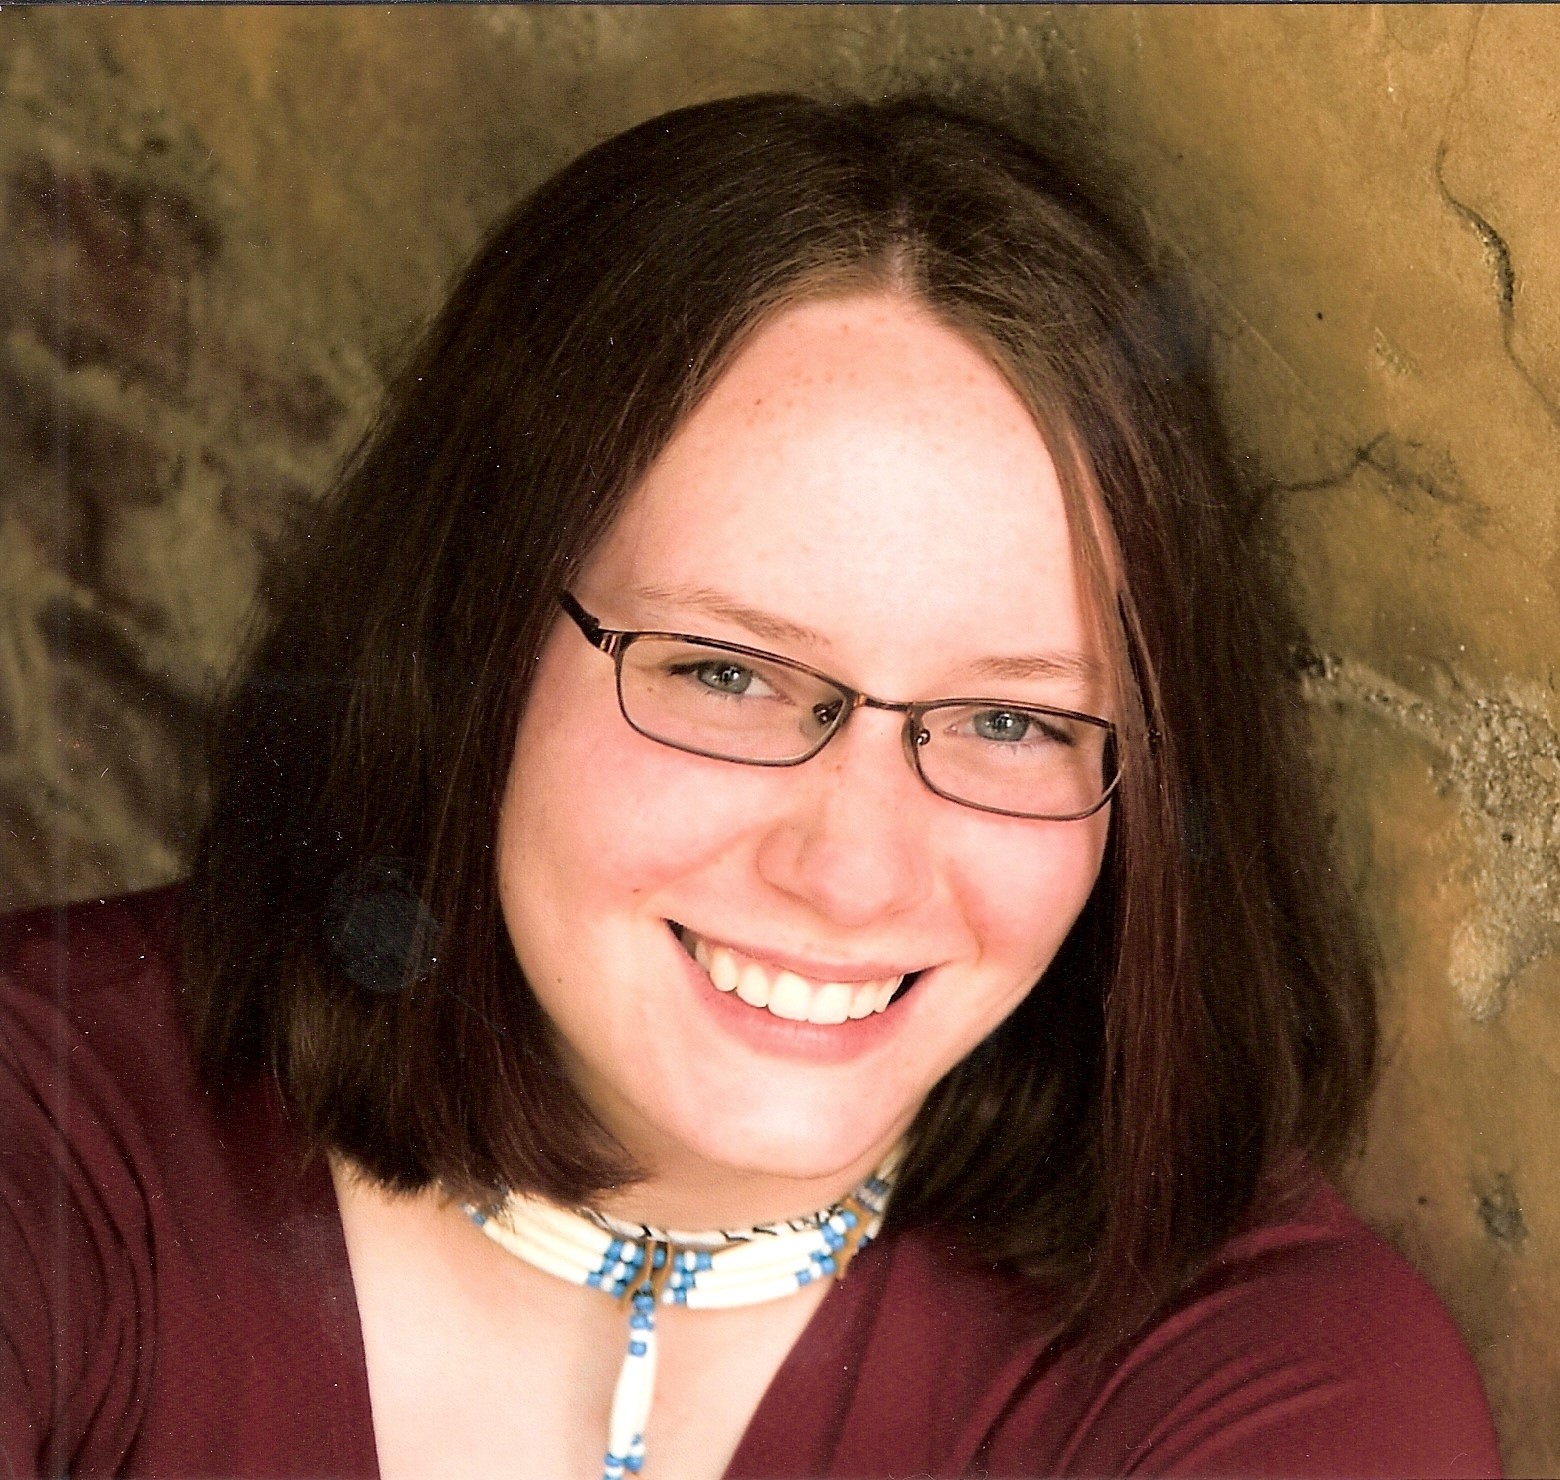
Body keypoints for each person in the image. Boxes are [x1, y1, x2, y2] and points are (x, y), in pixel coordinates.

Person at [2, 94, 1501, 1479]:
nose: (853, 873)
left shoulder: (1269, 1386)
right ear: (467, 643)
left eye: (1011, 721)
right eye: (726, 675)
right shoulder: (55, 1134)